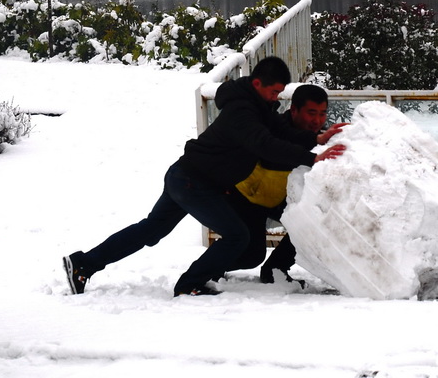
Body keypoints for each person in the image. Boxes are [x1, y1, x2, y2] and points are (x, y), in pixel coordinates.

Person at [63, 57, 346, 297]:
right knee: (237, 236)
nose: (276, 98)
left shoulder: (258, 105)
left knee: (151, 231)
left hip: (186, 176)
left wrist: (317, 137)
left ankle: (83, 264)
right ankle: (190, 284)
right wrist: (312, 157)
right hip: (193, 182)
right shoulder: (242, 111)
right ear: (258, 84)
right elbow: (264, 143)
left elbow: (280, 131)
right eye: (274, 92)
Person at [225, 84, 331, 284]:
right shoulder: (270, 130)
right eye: (311, 113)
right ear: (294, 110)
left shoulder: (319, 138)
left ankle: (276, 270)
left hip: (278, 198)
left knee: (312, 221)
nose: (317, 120)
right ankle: (212, 266)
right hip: (246, 197)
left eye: (322, 113)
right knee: (250, 255)